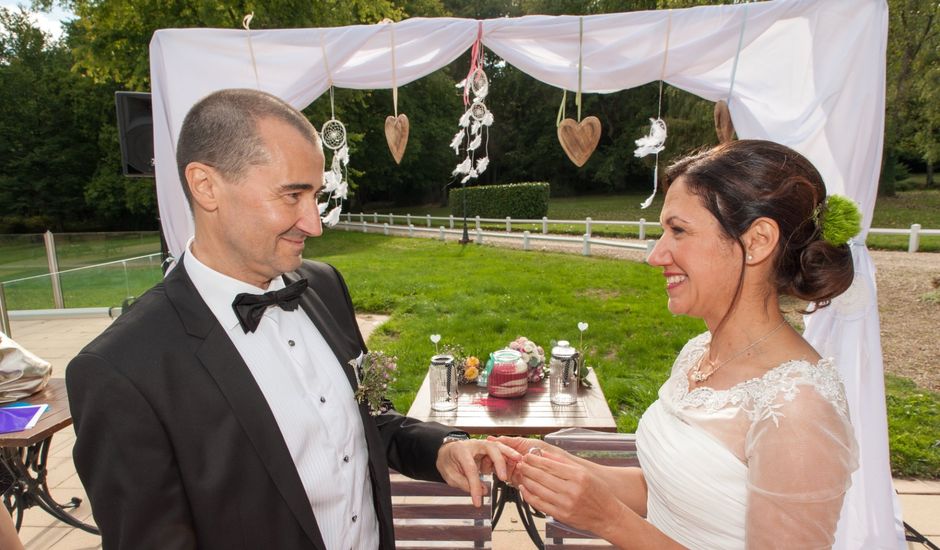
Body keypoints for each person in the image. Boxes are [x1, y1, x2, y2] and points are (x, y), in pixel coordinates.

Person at [66, 88, 517, 549]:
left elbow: (367, 421)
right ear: (206, 186)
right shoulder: (120, 370)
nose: (314, 223)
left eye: (315, 194)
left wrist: (439, 449)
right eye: (292, 194)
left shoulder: (323, 285)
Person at [496, 140, 860, 548]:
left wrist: (610, 520)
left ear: (757, 241)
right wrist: (561, 468)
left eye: (679, 230)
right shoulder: (698, 353)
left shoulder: (797, 407)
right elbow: (674, 494)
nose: (656, 255)